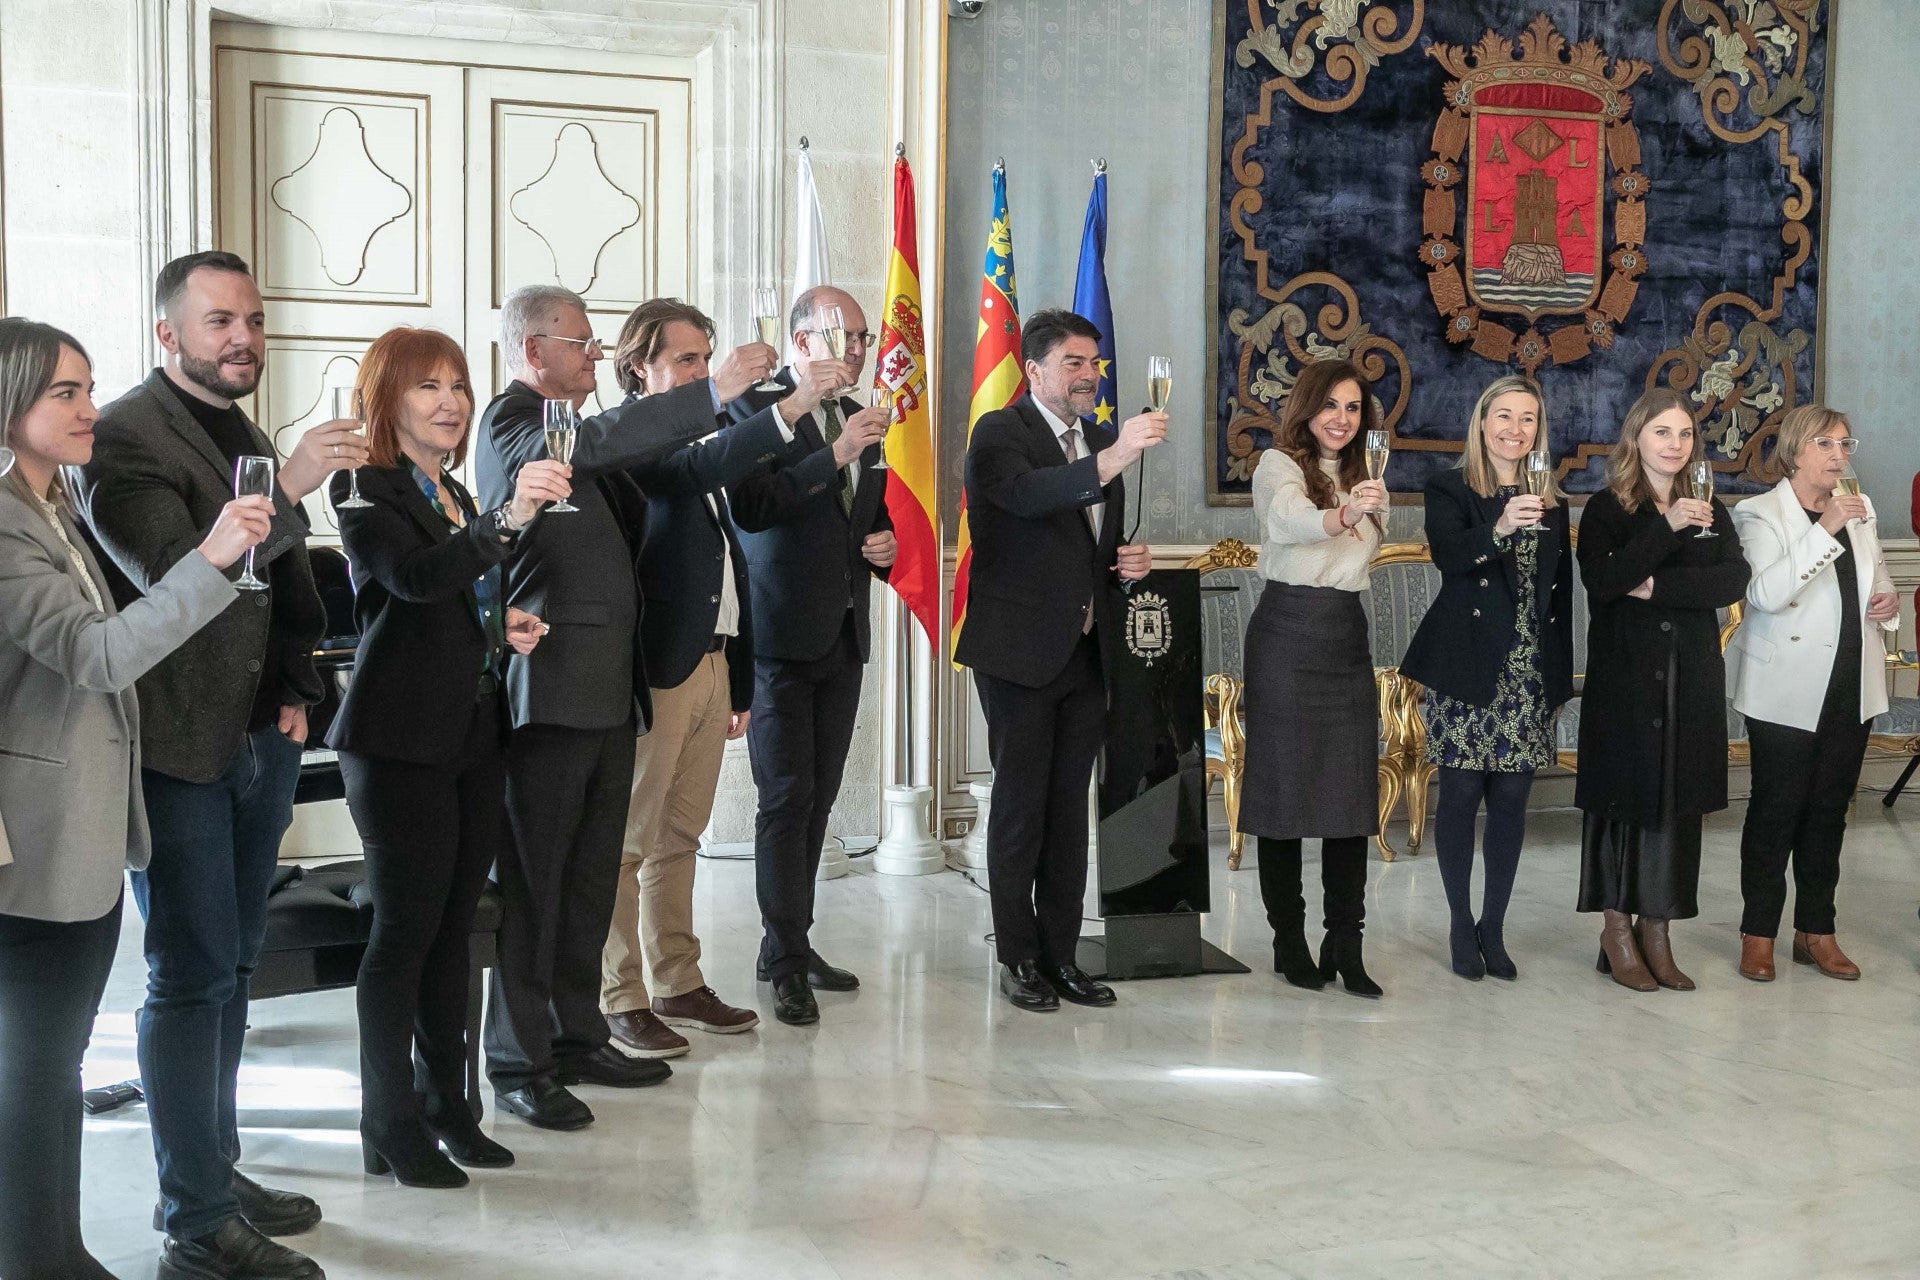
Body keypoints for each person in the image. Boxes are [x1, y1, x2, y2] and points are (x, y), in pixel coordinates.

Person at [72, 251, 364, 1280]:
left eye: (252, 316)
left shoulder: (238, 425)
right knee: (189, 976)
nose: (242, 336)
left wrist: (298, 681)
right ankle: (192, 1222)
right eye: (218, 320)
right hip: (177, 747)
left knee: (237, 968)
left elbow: (284, 579)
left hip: (258, 741)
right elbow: (175, 568)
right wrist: (288, 482)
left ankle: (216, 1164)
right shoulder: (118, 439)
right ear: (168, 335)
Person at [0, 319, 269, 1280]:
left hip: (76, 820)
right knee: (35, 1069)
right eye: (65, 393)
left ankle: (48, 1251)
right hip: (34, 837)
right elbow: (97, 654)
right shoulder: (4, 520)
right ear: (11, 403)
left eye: (88, 386)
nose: (89, 408)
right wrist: (213, 559)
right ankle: (41, 1259)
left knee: (47, 1063)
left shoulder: (54, 505)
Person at [472, 284, 776, 1131]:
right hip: (550, 687)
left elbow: (674, 472)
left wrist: (754, 415)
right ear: (533, 352)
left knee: (585, 878)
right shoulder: (513, 423)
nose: (594, 355)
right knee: (536, 887)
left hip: (610, 687)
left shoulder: (584, 440)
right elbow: (597, 440)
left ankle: (577, 1037)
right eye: (579, 343)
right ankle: (519, 1061)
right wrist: (705, 393)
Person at [326, 327, 570, 1187]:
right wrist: (511, 519)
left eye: (458, 385)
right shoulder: (364, 485)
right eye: (427, 386)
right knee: (404, 936)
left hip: (471, 732)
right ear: (387, 399)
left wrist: (499, 626)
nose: (450, 401)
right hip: (395, 742)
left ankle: (449, 1110)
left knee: (455, 935)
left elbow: (449, 602)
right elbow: (411, 582)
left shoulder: (455, 490)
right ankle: (388, 1122)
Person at [598, 298, 809, 1057]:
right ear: (638, 368)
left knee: (680, 836)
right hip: (659, 665)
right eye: (685, 360)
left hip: (714, 661)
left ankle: (676, 980)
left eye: (704, 358)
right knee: (627, 839)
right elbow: (688, 474)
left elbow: (732, 562)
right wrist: (784, 409)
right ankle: (618, 994)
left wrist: (741, 683)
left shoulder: (707, 430)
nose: (700, 372)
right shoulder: (630, 440)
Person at [956, 308, 1161, 1013]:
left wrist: (1125, 565)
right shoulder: (1000, 433)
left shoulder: (1102, 440)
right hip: (1017, 654)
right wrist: (1113, 457)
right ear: (1033, 369)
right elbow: (1029, 499)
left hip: (1087, 652)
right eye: (1073, 363)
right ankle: (1018, 959)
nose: (1088, 375)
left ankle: (1062, 956)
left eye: (1093, 363)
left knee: (1070, 813)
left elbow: (1088, 549)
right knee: (1020, 809)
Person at [724, 286, 894, 1026]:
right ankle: (782, 957)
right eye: (843, 336)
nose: (857, 349)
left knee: (819, 799)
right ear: (800, 344)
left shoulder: (859, 420)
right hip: (778, 637)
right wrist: (836, 453)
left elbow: (869, 520)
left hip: (844, 634)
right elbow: (755, 509)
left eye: (862, 336)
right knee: (785, 798)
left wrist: (883, 550)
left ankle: (793, 941)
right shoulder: (751, 415)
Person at [1399, 375, 1574, 981]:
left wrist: (1559, 682)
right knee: (1462, 796)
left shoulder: (1555, 501)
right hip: (1467, 666)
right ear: (1481, 423)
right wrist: (1500, 526)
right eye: (1503, 416)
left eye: (1528, 419)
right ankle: (1458, 924)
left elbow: (1560, 600)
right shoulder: (1449, 488)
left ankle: (1493, 929)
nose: (1515, 430)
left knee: (1511, 802)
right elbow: (1450, 557)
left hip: (1528, 671)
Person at [1575, 389, 1749, 992]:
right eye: (1662, 434)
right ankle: (1616, 931)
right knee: (1622, 805)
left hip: (1691, 678)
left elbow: (1731, 580)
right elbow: (1605, 580)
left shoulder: (1709, 505)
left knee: (1676, 809)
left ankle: (1659, 930)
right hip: (1626, 682)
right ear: (1637, 440)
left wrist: (1658, 585)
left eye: (1683, 435)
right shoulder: (1605, 508)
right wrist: (1666, 530)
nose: (1675, 446)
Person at [1727, 405, 1896, 981]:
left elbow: (1878, 576)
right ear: (1796, 449)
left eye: (1846, 444)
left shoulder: (1860, 507)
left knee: (1829, 813)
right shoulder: (1758, 513)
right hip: (1785, 687)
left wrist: (1890, 601)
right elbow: (1767, 593)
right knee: (1776, 811)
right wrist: (1824, 530)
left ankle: (1816, 931)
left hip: (1852, 683)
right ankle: (1758, 934)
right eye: (1827, 444)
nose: (1840, 455)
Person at [1238, 358, 1389, 998]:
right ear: (1306, 407)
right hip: (1287, 634)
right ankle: (1289, 940)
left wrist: (1367, 505)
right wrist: (1347, 514)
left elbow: (1368, 552)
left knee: (1347, 798)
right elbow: (1289, 524)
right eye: (1330, 405)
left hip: (1344, 634)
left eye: (1353, 408)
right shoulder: (1279, 466)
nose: (1341, 419)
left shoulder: (1368, 475)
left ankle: (1345, 942)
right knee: (1282, 795)